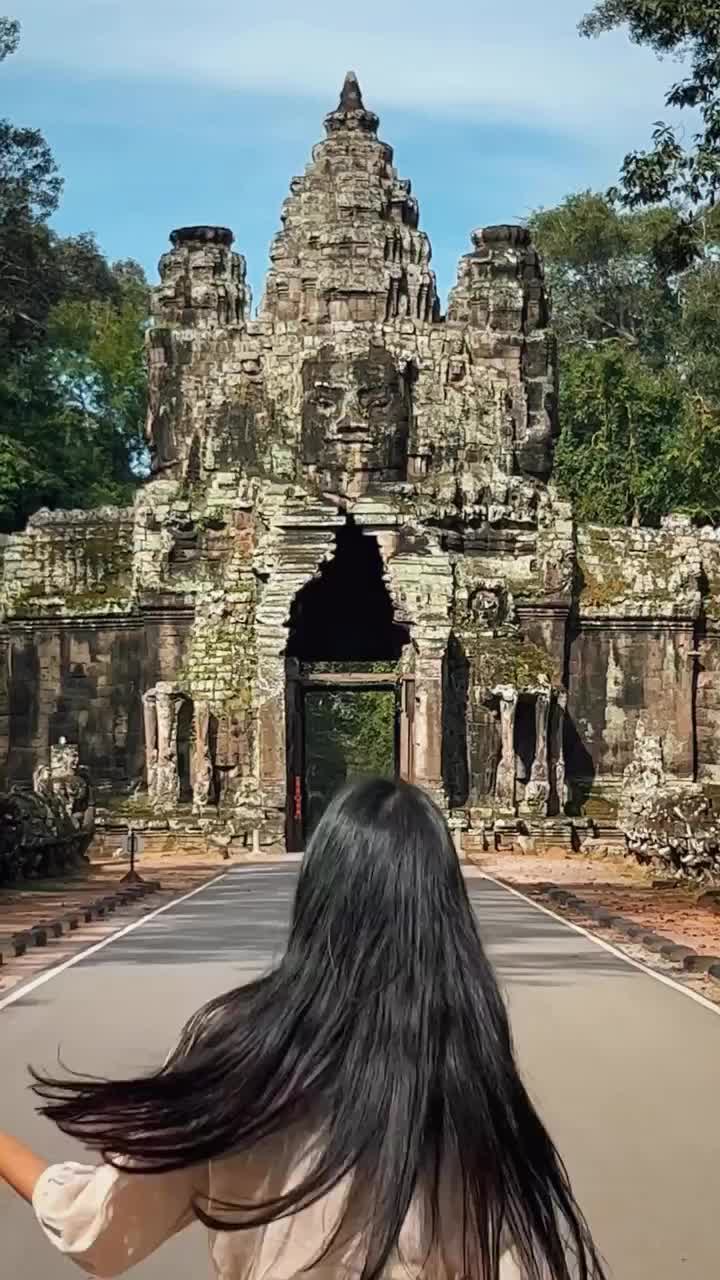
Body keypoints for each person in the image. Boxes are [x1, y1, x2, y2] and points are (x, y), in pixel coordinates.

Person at [0, 778, 606, 1280]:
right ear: (444, 904)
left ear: (316, 895)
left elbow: (96, 1228)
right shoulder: (464, 1044)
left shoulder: (245, 1045)